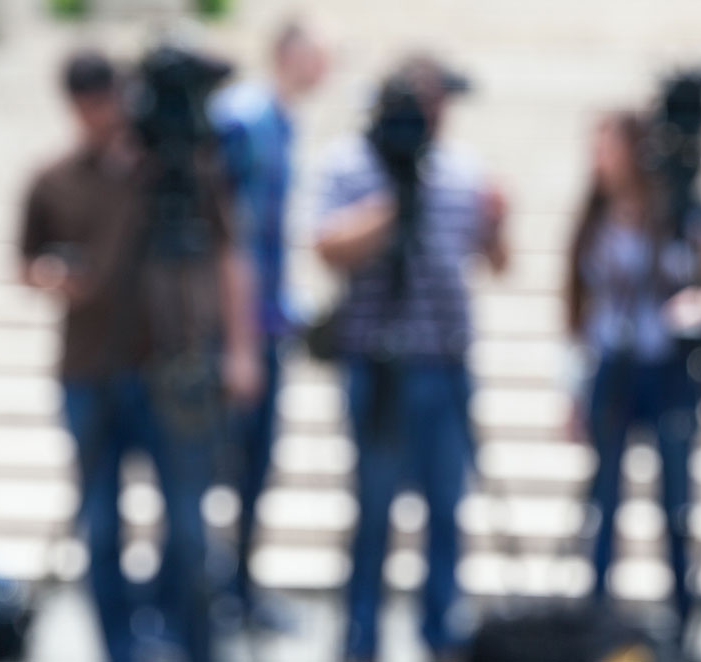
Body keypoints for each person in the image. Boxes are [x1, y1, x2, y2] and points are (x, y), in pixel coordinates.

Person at [18, 50, 259, 662]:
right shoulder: (54, 178)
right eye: (93, 102)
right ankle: (120, 649)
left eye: (114, 98)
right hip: (91, 370)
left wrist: (240, 348)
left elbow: (231, 254)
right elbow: (31, 265)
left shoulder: (186, 170)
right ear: (74, 106)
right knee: (100, 526)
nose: (108, 113)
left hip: (173, 366)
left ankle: (189, 643)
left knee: (186, 523)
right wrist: (56, 276)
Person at [313, 54, 508, 662]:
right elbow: (327, 247)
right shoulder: (351, 163)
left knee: (446, 509)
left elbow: (496, 263)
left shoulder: (463, 169)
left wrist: (499, 224)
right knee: (373, 510)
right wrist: (396, 198)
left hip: (445, 361)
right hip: (376, 364)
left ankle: (440, 634)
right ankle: (360, 637)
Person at [565, 111, 701, 642]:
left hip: (666, 370)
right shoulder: (594, 216)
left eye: (608, 147)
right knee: (604, 501)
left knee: (677, 503)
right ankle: (595, 624)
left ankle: (683, 626)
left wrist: (696, 307)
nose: (598, 160)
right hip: (610, 367)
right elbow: (576, 311)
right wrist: (570, 389)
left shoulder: (681, 211)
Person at [209, 19, 328, 627]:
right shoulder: (245, 118)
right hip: (235, 328)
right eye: (317, 53)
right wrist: (241, 337)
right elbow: (234, 236)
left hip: (267, 322)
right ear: (287, 53)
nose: (326, 65)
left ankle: (238, 588)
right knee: (218, 468)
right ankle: (209, 594)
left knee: (255, 468)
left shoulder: (280, 120)